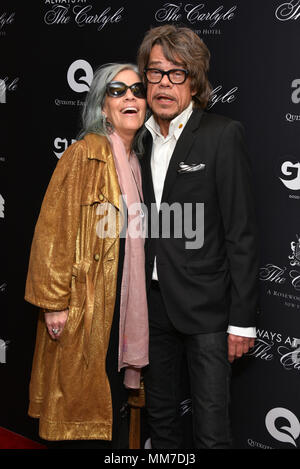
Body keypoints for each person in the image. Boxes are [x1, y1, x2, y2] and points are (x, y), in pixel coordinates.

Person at [137, 25, 259, 449]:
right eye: (155, 73)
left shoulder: (222, 135)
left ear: (195, 80)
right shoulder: (135, 139)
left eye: (177, 74)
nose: (164, 85)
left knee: (211, 431)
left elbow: (240, 233)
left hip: (208, 311)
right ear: (144, 78)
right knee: (161, 422)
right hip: (150, 307)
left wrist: (241, 320)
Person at [24, 63, 148, 449]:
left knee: (107, 402)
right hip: (86, 306)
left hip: (119, 305)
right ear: (101, 105)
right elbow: (52, 233)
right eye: (117, 90)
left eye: (137, 89)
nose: (130, 96)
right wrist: (54, 304)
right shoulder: (85, 154)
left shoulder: (134, 161)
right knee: (83, 416)